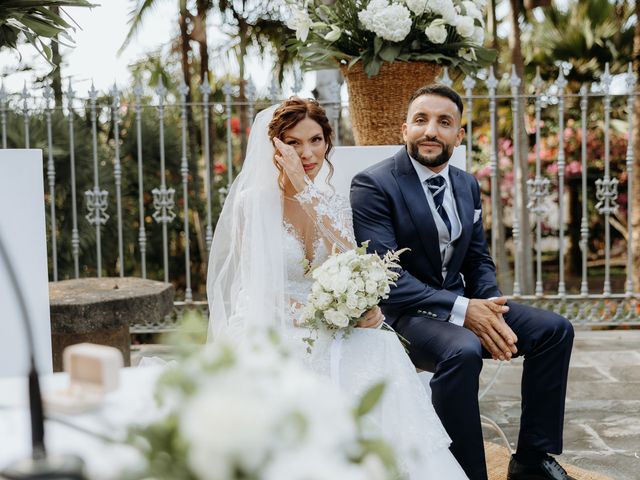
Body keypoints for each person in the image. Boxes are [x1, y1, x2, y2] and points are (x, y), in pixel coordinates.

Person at [207, 97, 468, 479]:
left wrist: (363, 307)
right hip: (273, 323)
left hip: (329, 323)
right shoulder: (253, 203)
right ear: (275, 146)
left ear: (328, 142)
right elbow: (256, 287)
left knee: (383, 346)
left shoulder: (332, 202)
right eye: (293, 143)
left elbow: (354, 262)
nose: (307, 152)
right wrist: (313, 315)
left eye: (316, 140)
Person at [350, 84, 575, 480]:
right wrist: (465, 310)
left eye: (444, 122)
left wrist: (492, 308)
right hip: (405, 317)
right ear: (405, 129)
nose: (431, 131)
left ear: (460, 135)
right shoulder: (373, 184)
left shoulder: (466, 184)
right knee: (464, 350)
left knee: (555, 330)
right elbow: (386, 276)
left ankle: (531, 460)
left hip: (463, 305)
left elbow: (476, 259)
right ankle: (466, 472)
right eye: (421, 120)